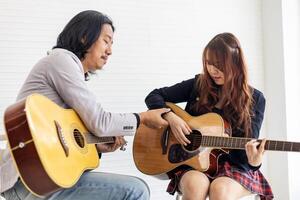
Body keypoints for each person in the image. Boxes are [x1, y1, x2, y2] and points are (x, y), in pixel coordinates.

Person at [0, 10, 170, 200]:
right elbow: (100, 122)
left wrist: (95, 147)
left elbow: (61, 138)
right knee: (136, 190)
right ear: (84, 37)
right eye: (106, 40)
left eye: (112, 43)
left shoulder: (66, 69)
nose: (110, 50)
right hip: (29, 181)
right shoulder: (61, 61)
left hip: (43, 178)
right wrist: (143, 118)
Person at [144, 33, 274, 200]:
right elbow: (154, 96)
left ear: (235, 62)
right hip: (194, 161)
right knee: (195, 186)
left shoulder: (255, 99)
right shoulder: (199, 84)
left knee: (219, 190)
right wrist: (170, 117)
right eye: (208, 63)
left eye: (219, 64)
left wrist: (254, 162)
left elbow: (245, 156)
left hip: (233, 167)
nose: (213, 70)